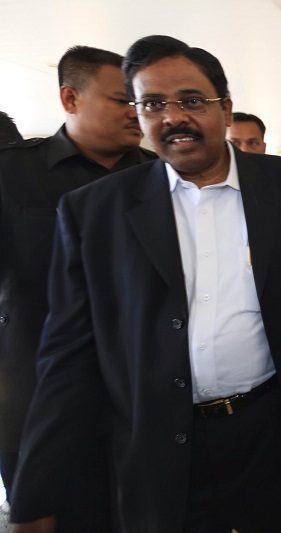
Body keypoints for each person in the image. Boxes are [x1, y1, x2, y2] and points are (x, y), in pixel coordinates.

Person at [10, 35, 281, 532]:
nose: (173, 117)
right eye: (153, 104)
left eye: (191, 100)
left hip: (277, 435)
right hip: (161, 449)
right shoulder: (96, 212)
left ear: (225, 108)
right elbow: (66, 358)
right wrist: (36, 494)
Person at [0, 45, 154, 525]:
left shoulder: (159, 176)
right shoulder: (11, 173)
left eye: (140, 102)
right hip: (40, 395)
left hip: (142, 393)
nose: (136, 112)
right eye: (122, 100)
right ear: (70, 98)